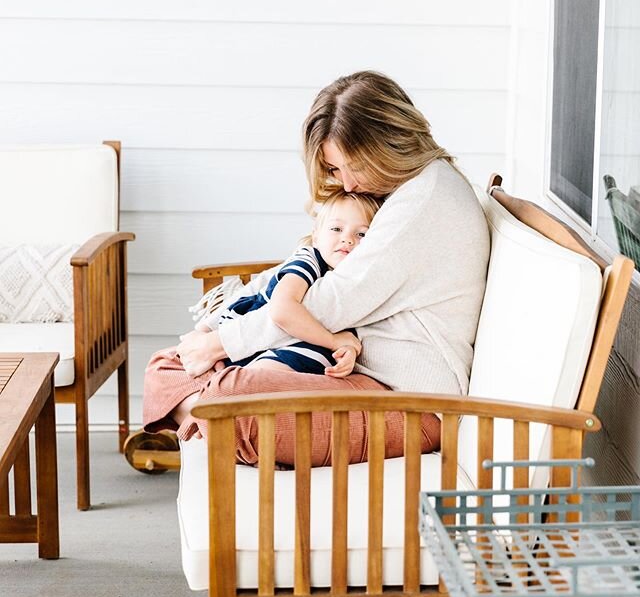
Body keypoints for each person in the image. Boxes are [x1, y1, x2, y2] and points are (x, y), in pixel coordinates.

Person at [143, 70, 490, 466]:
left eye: (352, 167)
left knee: (225, 399)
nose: (348, 184)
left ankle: (215, 428)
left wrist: (219, 344)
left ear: (387, 144)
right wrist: (217, 331)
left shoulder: (423, 203)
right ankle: (217, 431)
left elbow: (326, 301)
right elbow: (312, 270)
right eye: (336, 171)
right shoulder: (404, 190)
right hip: (347, 368)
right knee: (166, 366)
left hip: (407, 400)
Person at [207, 190, 380, 380]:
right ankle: (249, 381)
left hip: (299, 343)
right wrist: (333, 341)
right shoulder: (309, 260)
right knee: (312, 352)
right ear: (316, 237)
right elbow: (282, 310)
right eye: (336, 229)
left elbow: (340, 323)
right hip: (254, 338)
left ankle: (255, 383)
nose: (348, 239)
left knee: (321, 357)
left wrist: (347, 349)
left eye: (362, 233)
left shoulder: (358, 280)